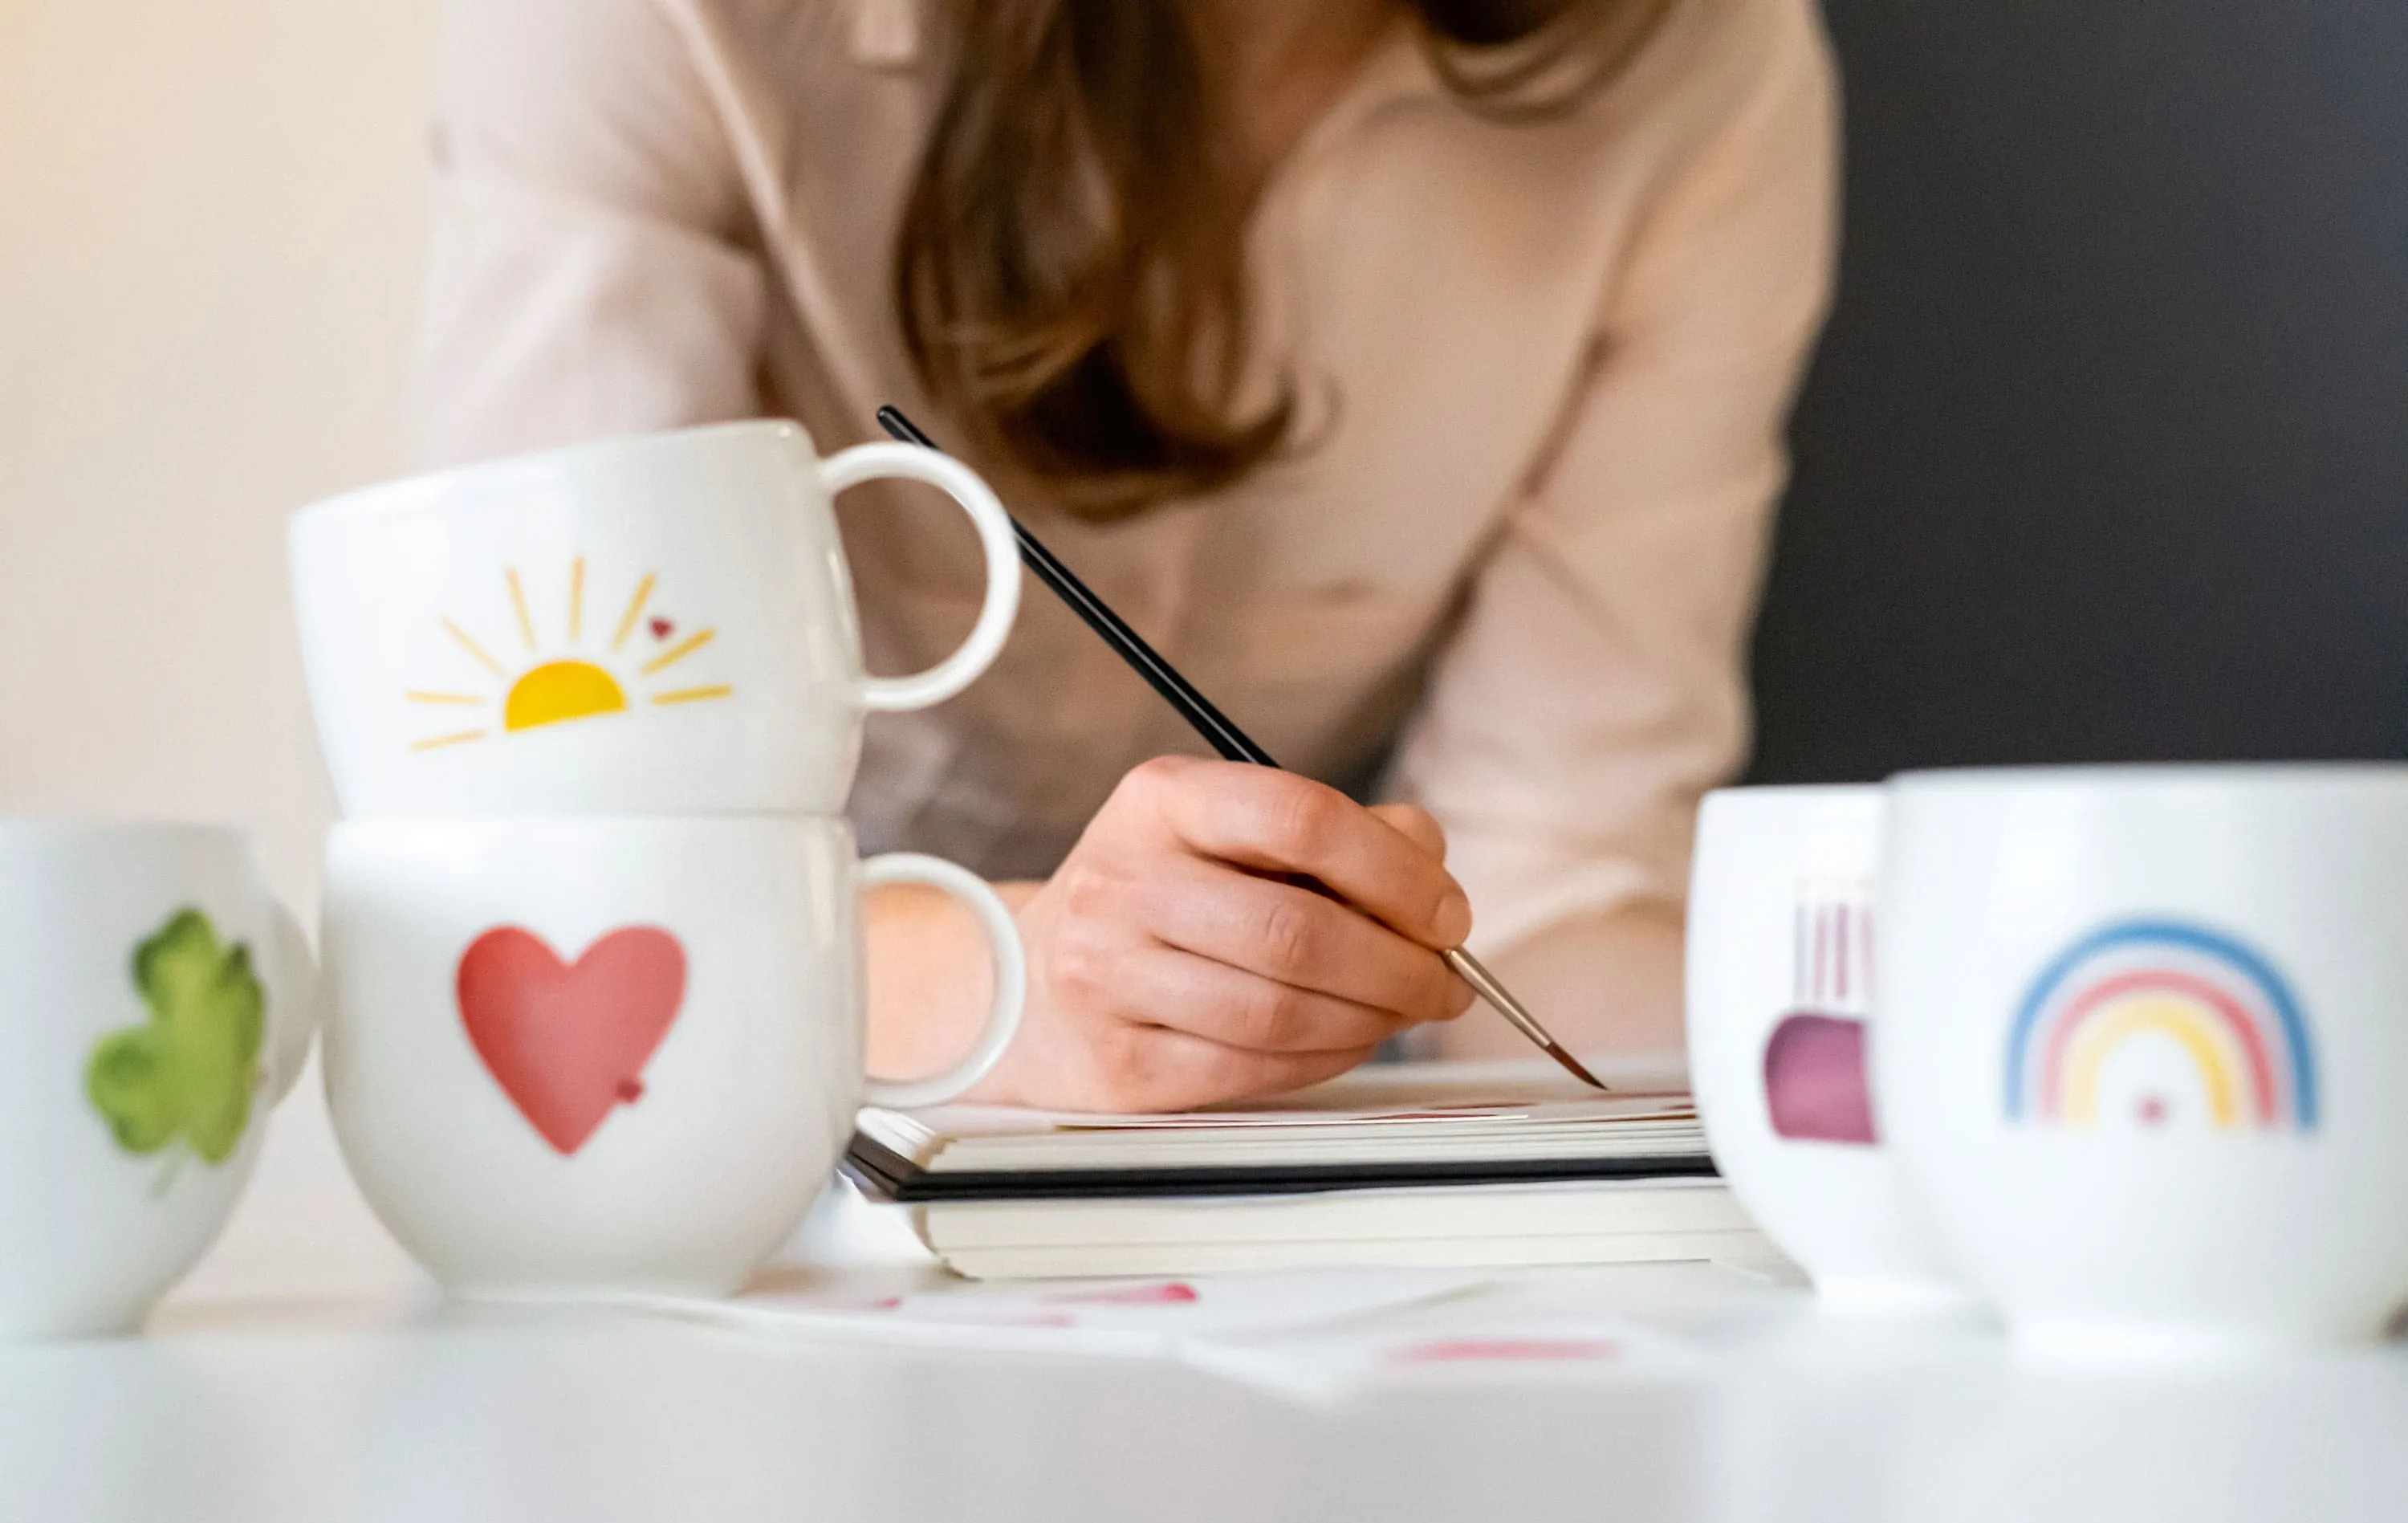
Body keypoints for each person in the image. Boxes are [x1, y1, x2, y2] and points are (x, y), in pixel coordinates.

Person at [417, 0, 1837, 1110]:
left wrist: (1854, 1049)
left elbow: (1556, 871)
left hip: (1253, 1175)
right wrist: (1002, 983)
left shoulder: (1694, 65)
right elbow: (548, 831)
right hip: (715, 1130)